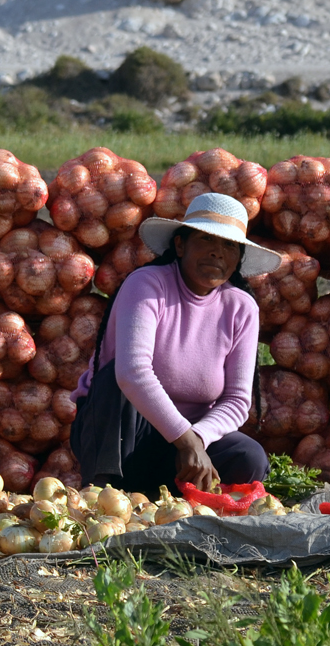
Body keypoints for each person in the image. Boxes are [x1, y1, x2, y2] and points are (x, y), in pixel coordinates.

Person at [69, 192, 282, 497]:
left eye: (229, 246)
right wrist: (186, 440)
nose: (217, 253)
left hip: (187, 449)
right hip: (123, 437)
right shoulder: (147, 284)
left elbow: (237, 401)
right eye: (207, 240)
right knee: (115, 380)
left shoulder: (241, 307)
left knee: (250, 458)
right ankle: (104, 495)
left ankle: (175, 500)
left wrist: (198, 437)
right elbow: (132, 373)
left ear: (238, 259)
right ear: (180, 245)